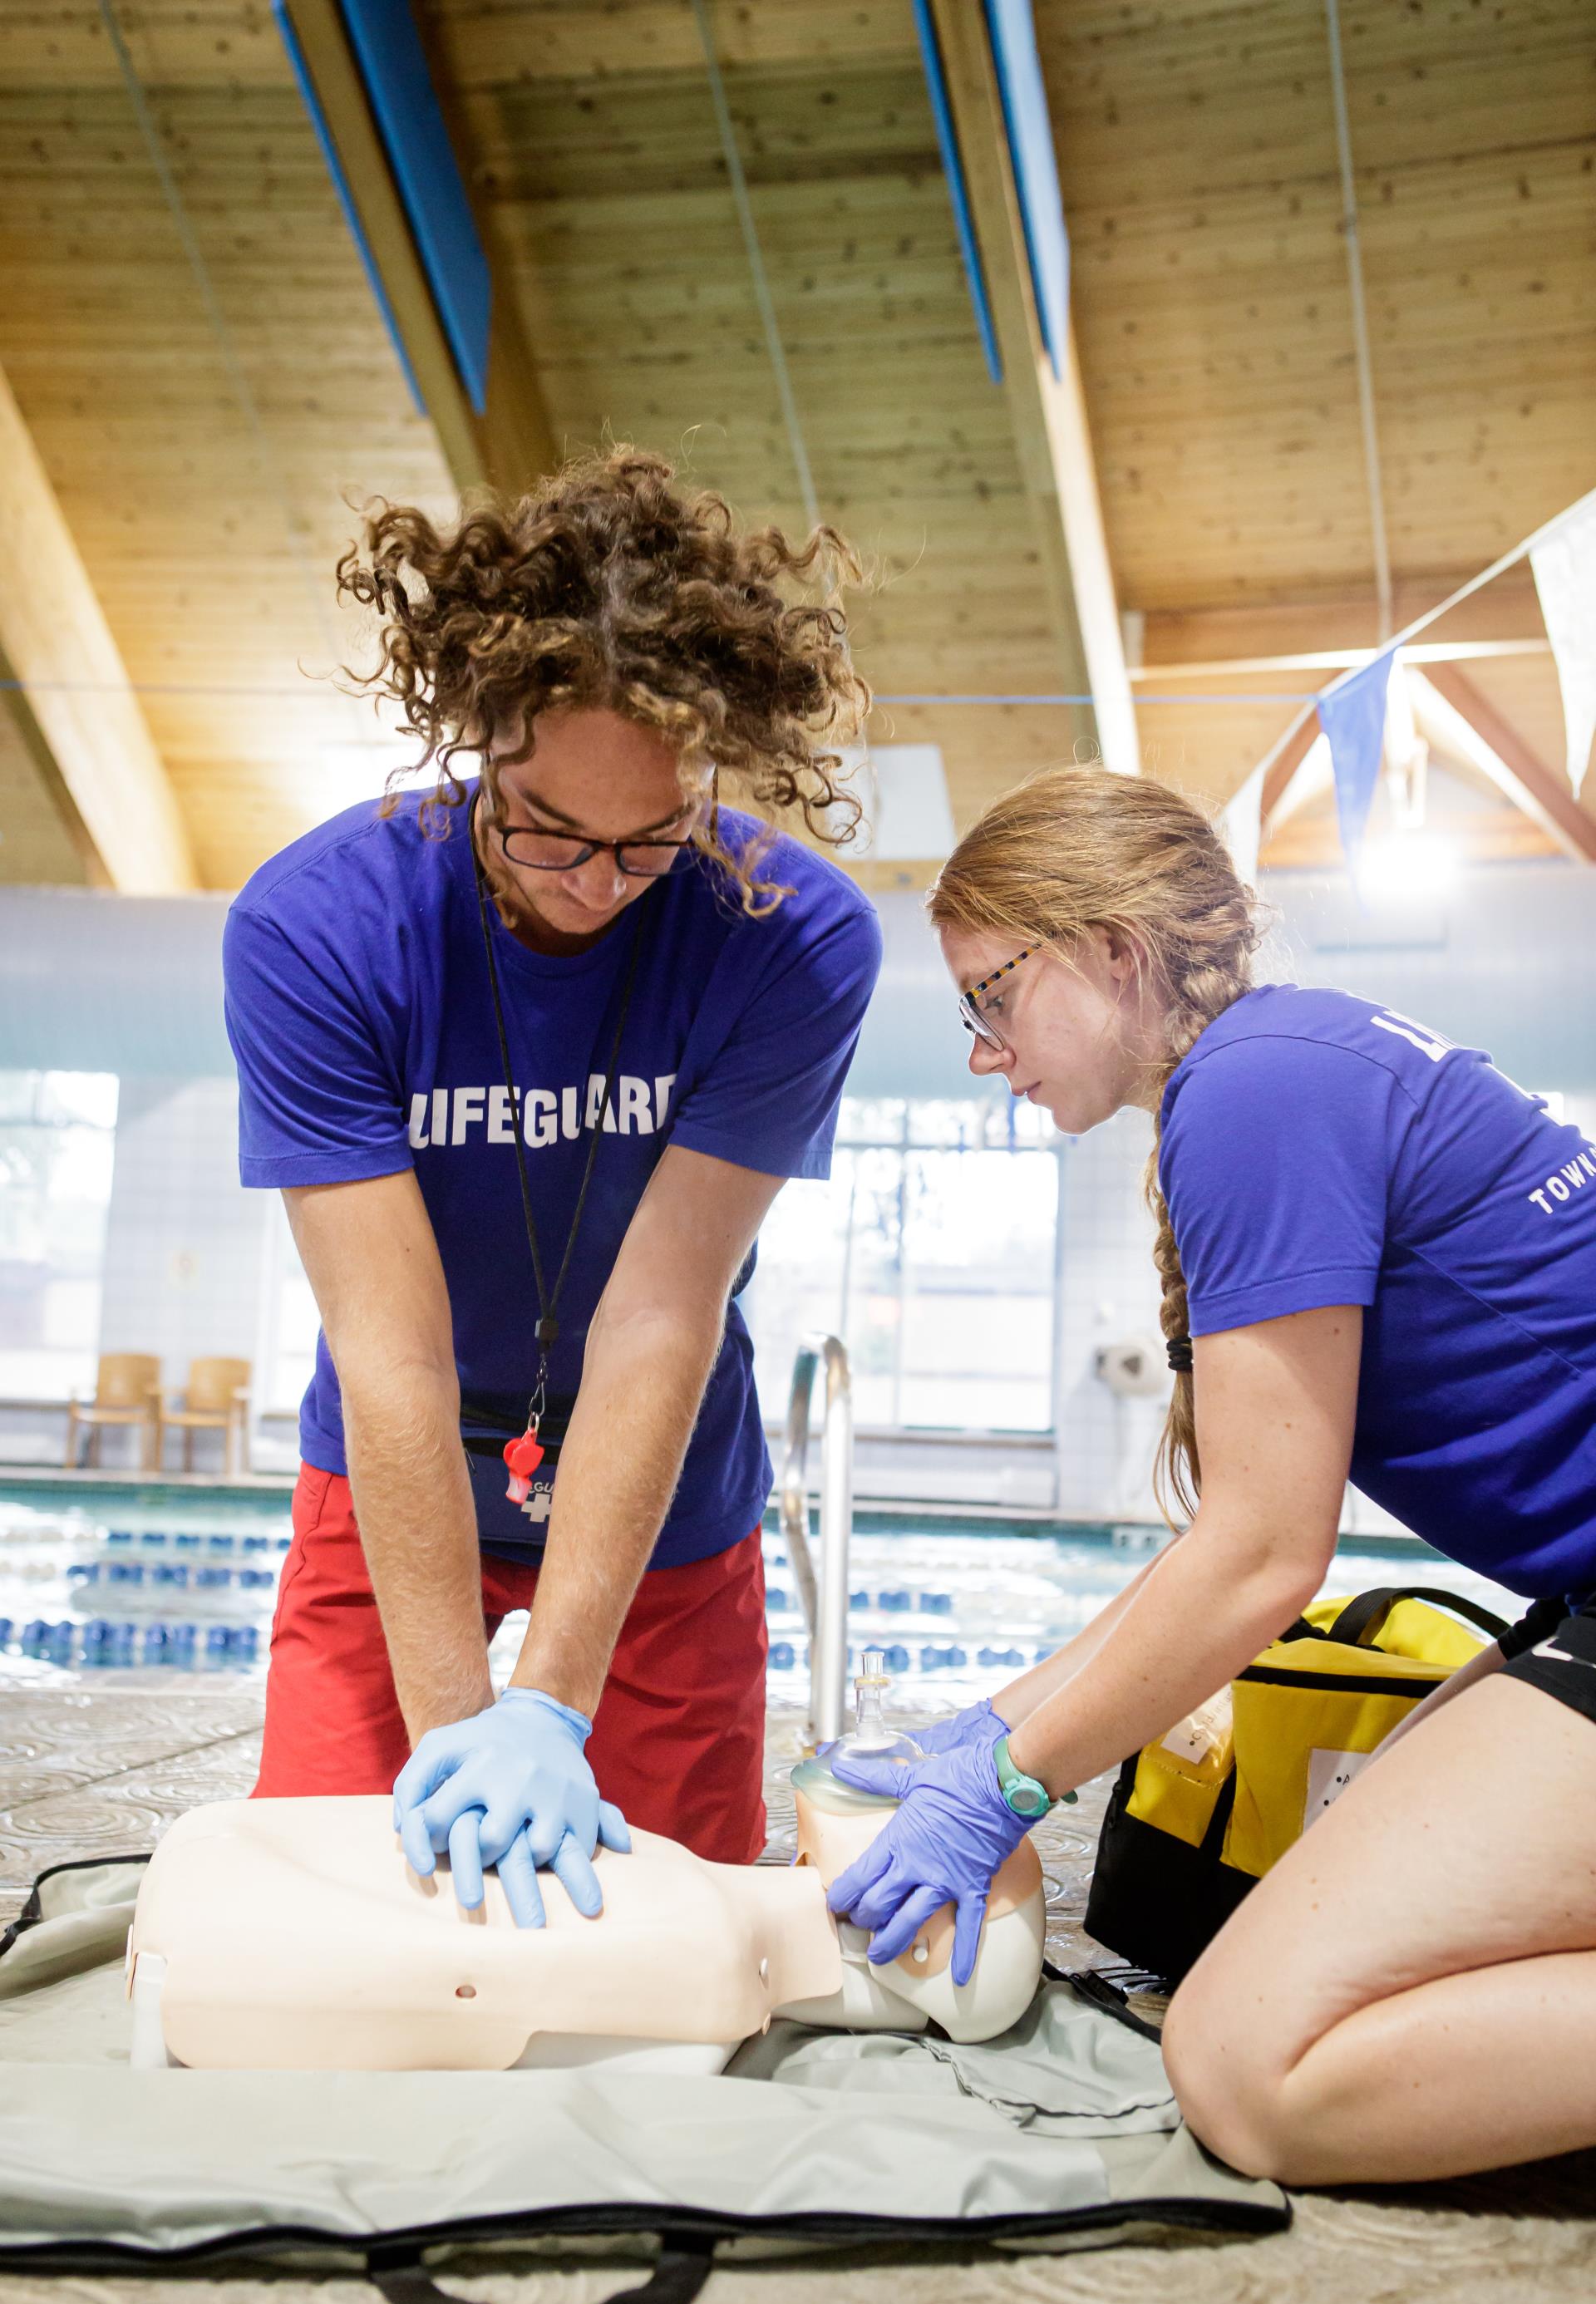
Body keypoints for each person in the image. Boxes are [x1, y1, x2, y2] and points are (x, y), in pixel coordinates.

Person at [826, 763, 1596, 2186]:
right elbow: (1226, 1550)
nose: (986, 1048)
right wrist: (983, 1725)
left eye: (993, 993)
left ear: (1111, 953)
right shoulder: (1284, 1062)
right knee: (1344, 1884)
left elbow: (1262, 1557)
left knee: (1251, 2064)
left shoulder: (1254, 1090)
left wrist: (1009, 1783)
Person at [224, 448, 882, 1931]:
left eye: (652, 839)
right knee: (337, 1920)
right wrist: (466, 1724)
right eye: (542, 829)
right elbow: (386, 1349)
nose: (593, 884)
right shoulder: (318, 931)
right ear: (475, 739)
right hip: (394, 1477)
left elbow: (663, 1312)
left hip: (661, 1506)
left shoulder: (793, 938)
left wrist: (551, 1709)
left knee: (675, 1941)